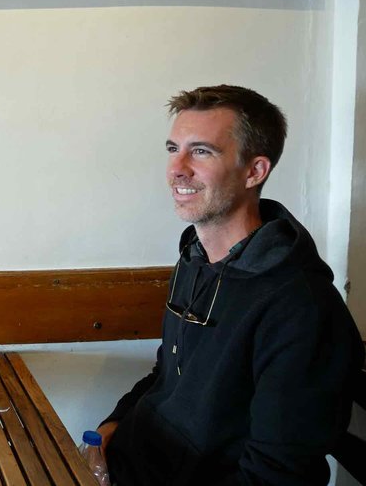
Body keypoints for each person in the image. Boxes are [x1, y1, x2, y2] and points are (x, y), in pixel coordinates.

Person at [99, 85, 362, 485]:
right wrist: (112, 424)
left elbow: (276, 477)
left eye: (201, 151)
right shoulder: (195, 258)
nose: (177, 168)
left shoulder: (301, 306)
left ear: (255, 171)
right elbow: (168, 374)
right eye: (174, 149)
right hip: (131, 462)